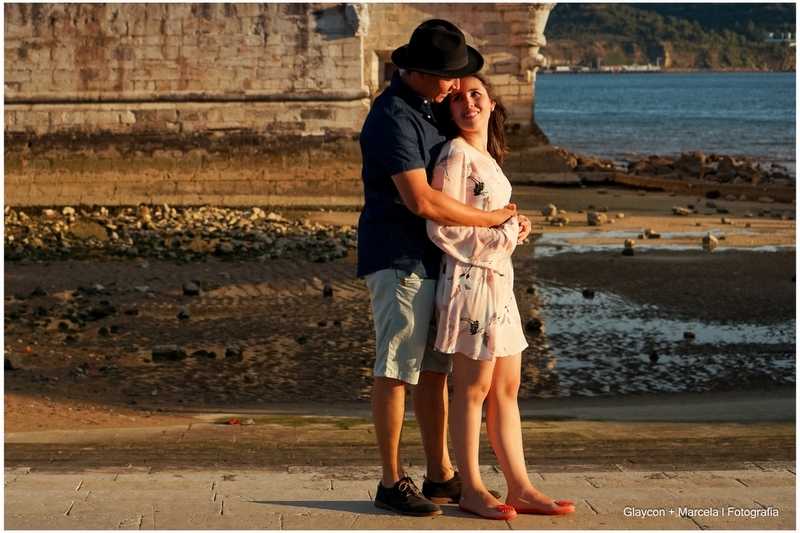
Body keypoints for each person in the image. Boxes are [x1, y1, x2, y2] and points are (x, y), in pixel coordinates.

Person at [357, 20, 520, 517]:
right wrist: (495, 221)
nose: (455, 87)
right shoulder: (392, 116)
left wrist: (505, 220)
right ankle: (391, 482)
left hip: (438, 262)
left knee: (433, 369)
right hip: (399, 258)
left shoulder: (429, 108)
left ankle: (441, 475)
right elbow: (423, 201)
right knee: (396, 368)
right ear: (422, 73)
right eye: (450, 78)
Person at [427, 73, 575, 520]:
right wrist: (506, 233)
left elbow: (488, 216)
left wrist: (514, 224)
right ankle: (471, 489)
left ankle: (521, 487)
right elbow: (442, 227)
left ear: (492, 103)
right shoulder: (454, 154)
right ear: (449, 109)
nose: (468, 103)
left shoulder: (487, 158)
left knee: (507, 389)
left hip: (500, 283)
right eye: (457, 97)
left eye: (476, 95)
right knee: (473, 389)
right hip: (470, 283)